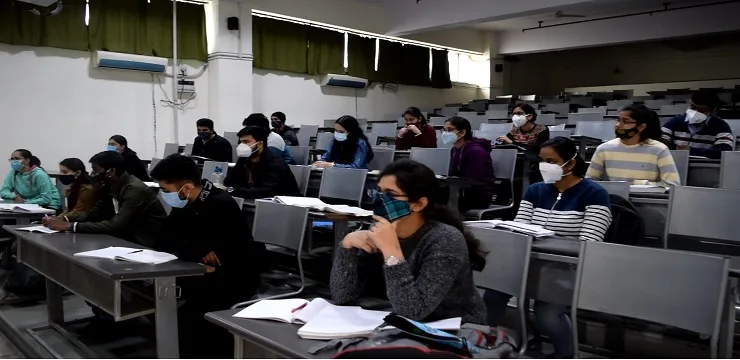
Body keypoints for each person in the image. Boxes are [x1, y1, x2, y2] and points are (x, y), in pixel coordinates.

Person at [484, 136, 612, 359]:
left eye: (551, 161)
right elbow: (520, 229)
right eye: (542, 161)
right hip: (528, 260)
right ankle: (484, 343)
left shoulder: (595, 194)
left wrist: (549, 243)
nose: (545, 166)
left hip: (566, 266)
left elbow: (590, 243)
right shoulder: (536, 190)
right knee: (492, 296)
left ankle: (567, 354)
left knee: (548, 316)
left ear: (570, 163)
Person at [330, 159, 487, 324]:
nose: (379, 200)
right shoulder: (379, 230)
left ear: (418, 204)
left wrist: (392, 254)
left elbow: (413, 311)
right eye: (378, 192)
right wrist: (346, 246)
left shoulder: (445, 239)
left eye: (390, 194)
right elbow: (342, 296)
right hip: (394, 319)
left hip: (453, 327)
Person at [151, 154, 263, 358]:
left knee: (188, 319)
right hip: (202, 273)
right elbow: (164, 240)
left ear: (186, 186)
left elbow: (223, 256)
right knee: (159, 301)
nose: (164, 195)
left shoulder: (220, 204)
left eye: (166, 190)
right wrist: (195, 249)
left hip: (233, 279)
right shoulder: (184, 203)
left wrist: (191, 247)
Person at [46, 151, 167, 247]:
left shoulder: (134, 189)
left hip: (147, 242)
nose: (93, 174)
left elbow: (115, 225)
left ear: (111, 171)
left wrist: (70, 226)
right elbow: (96, 212)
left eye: (96, 170)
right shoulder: (110, 185)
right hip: (127, 237)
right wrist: (63, 219)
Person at [587, 104, 681, 186]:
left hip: (647, 201)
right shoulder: (604, 148)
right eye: (618, 120)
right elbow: (589, 180)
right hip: (614, 201)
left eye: (626, 122)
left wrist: (641, 184)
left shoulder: (659, 149)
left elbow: (672, 185)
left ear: (641, 127)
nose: (618, 125)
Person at [224, 126, 300, 199]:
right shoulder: (244, 159)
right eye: (241, 142)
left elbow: (268, 191)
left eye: (246, 142)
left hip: (279, 204)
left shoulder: (275, 162)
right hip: (250, 199)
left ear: (260, 144)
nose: (242, 145)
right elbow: (230, 181)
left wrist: (234, 191)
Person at [442, 117, 496, 213]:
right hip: (459, 191)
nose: (445, 133)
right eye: (444, 130)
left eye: (449, 130)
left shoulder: (477, 151)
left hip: (478, 195)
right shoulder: (454, 150)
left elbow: (475, 180)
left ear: (462, 132)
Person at [661, 90, 735, 159]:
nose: (695, 112)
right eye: (693, 107)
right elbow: (659, 142)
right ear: (690, 103)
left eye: (702, 110)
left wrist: (692, 151)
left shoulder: (721, 126)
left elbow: (724, 152)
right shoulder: (675, 121)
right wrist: (676, 148)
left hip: (704, 167)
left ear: (712, 111)